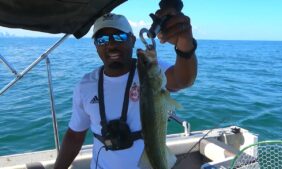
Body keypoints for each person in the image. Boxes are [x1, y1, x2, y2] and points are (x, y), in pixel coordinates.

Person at [54, 8, 197, 169]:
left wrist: (185, 44)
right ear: (95, 46)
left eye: (119, 36)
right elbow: (74, 135)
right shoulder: (85, 86)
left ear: (132, 40)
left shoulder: (150, 70)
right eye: (102, 40)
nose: (111, 44)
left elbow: (183, 80)